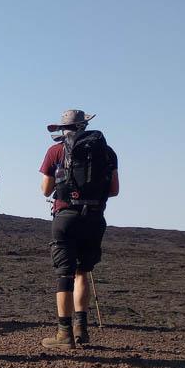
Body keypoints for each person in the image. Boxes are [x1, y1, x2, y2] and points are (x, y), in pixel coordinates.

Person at [39, 109, 120, 350]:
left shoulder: (55, 151)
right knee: (82, 272)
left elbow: (45, 190)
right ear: (84, 126)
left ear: (64, 129)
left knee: (65, 274)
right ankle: (81, 329)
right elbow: (114, 190)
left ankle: (64, 333)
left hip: (65, 217)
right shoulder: (107, 152)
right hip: (94, 217)